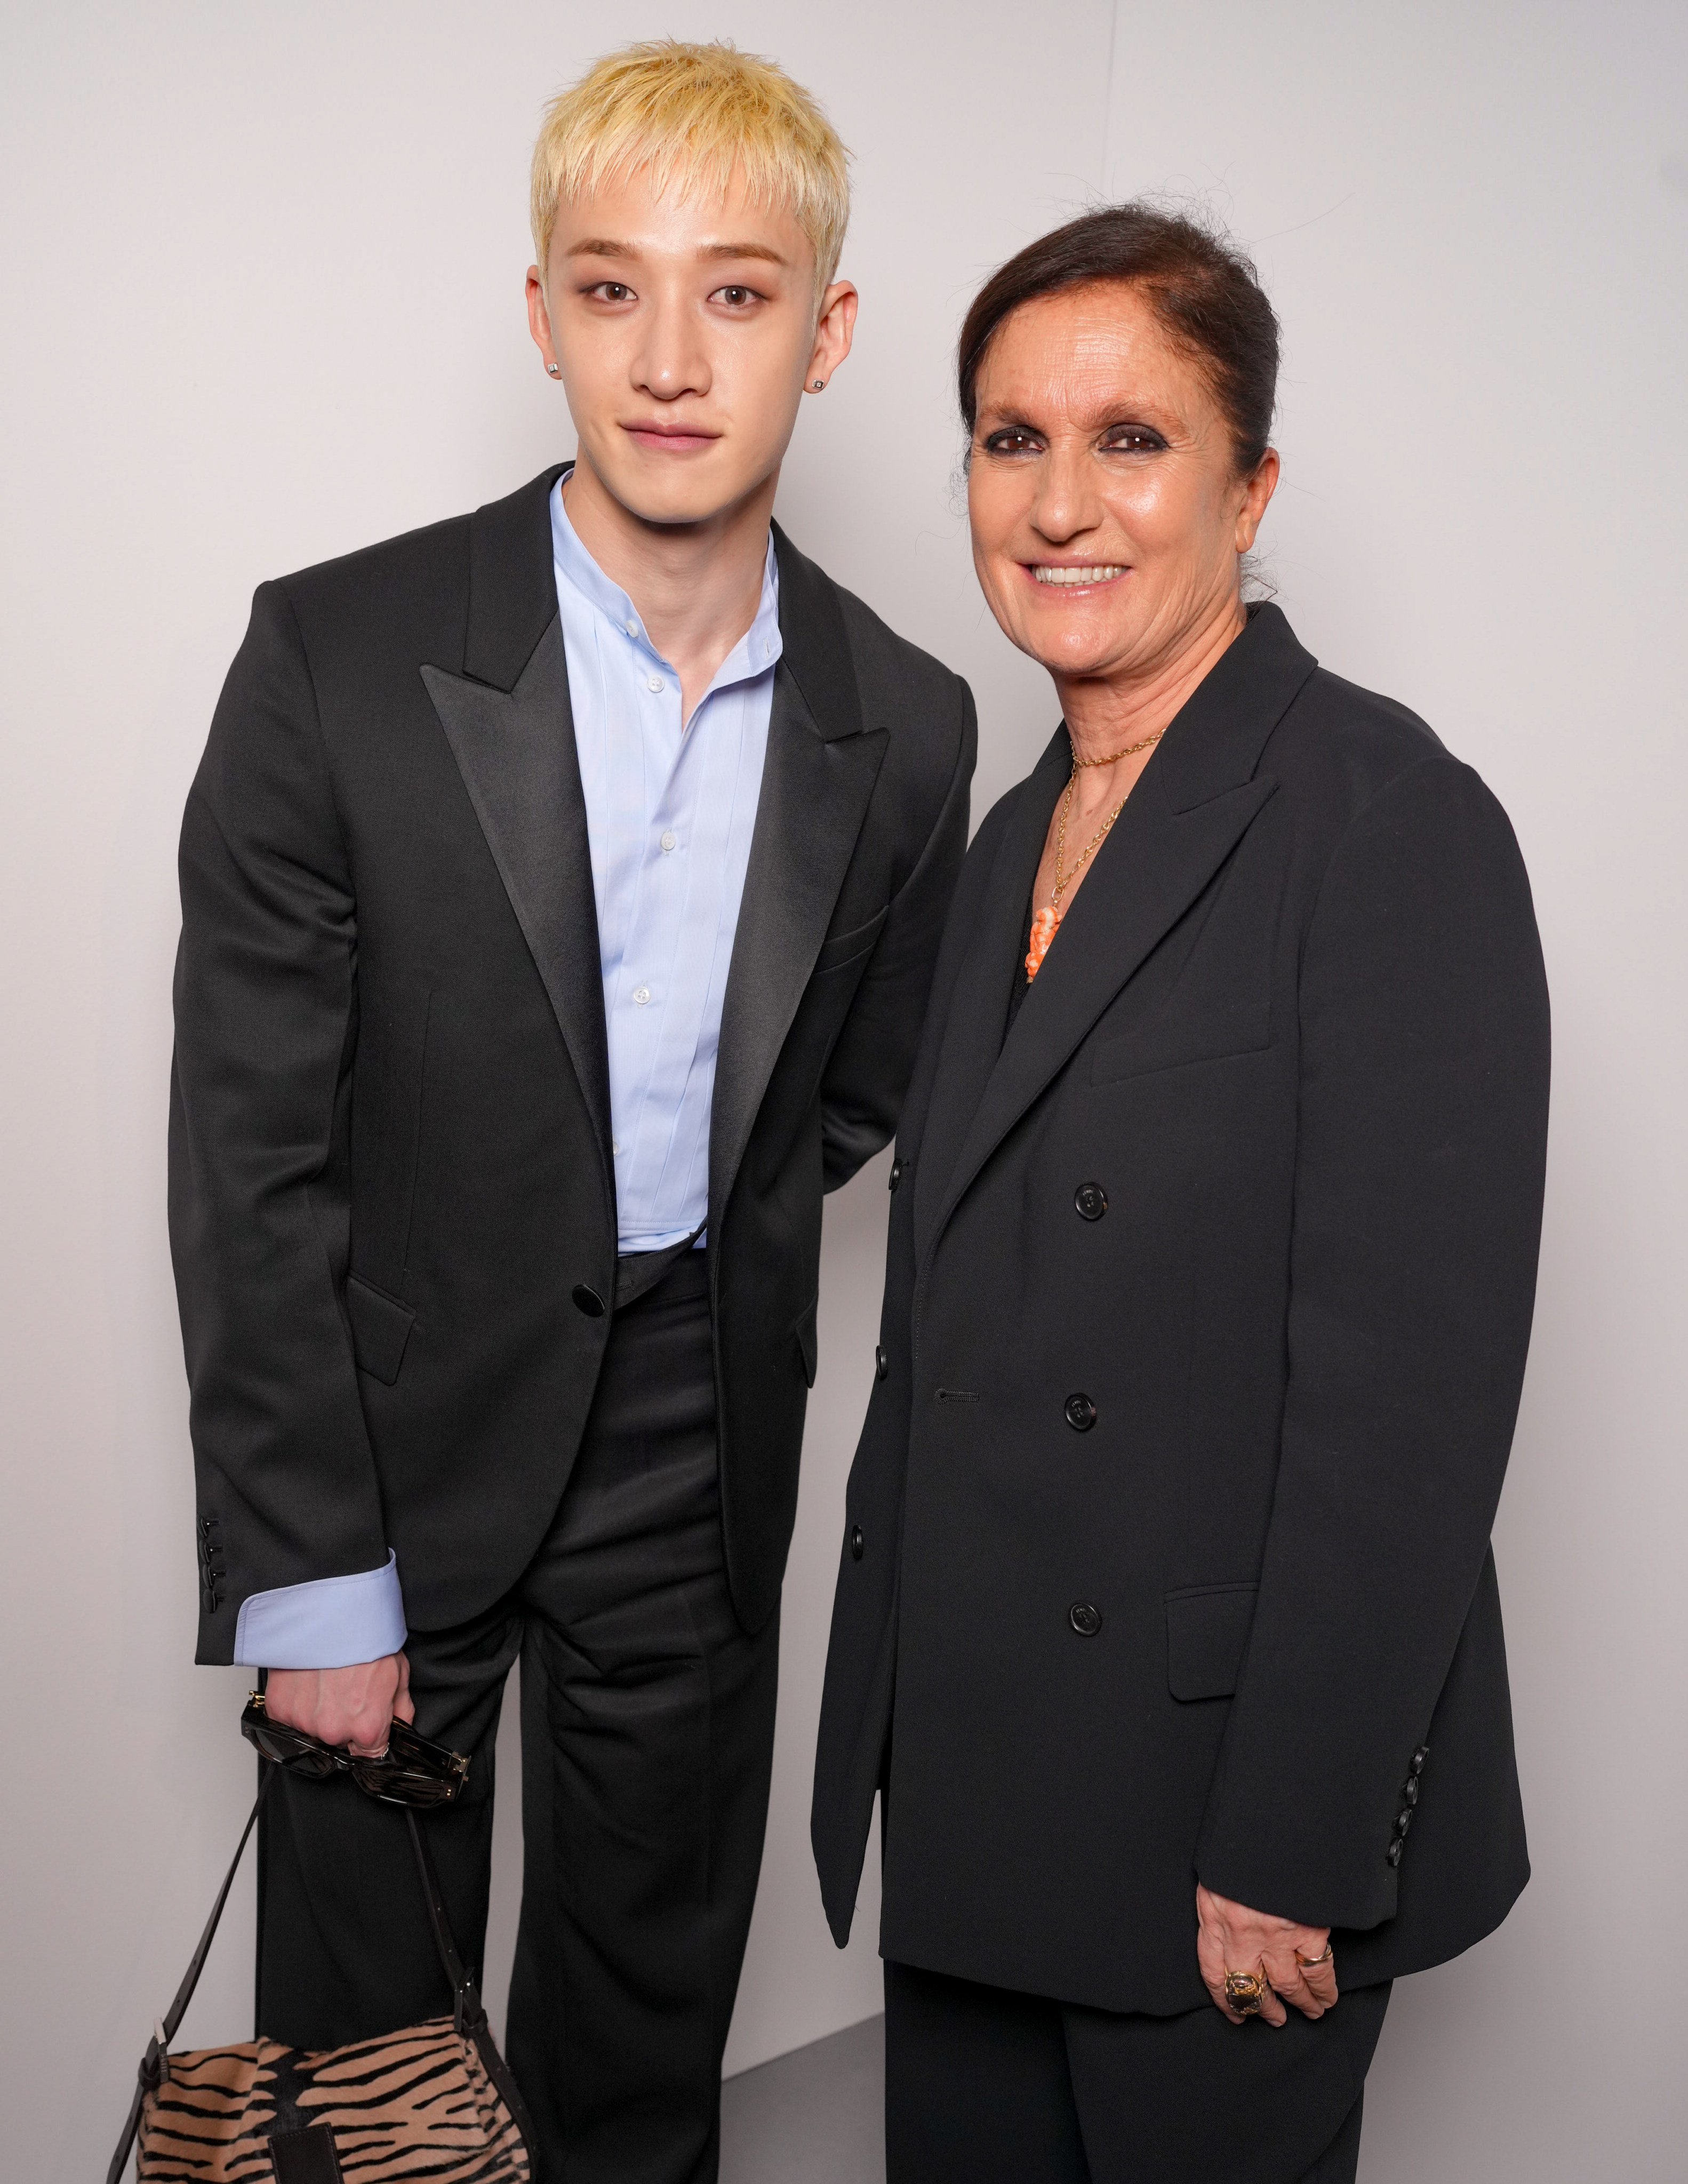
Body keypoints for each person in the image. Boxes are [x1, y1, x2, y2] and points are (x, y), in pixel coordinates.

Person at [169, 39, 973, 2182]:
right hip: (387, 1443)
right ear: (541, 316)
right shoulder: (331, 659)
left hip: (695, 1452)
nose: (672, 357)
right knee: (366, 2094)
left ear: (831, 328)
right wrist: (312, 1581)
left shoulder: (912, 722)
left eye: (737, 291)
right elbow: (248, 1157)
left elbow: (844, 1098)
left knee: (637, 2068)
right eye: (612, 289)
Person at [811, 203, 1549, 2184]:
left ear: (1251, 484)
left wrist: (1290, 1844)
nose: (1062, 502)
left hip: (1214, 1825)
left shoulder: (1386, 819)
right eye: (1008, 438)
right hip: (979, 1785)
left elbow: (1411, 1409)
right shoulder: (1001, 843)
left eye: (1132, 439)